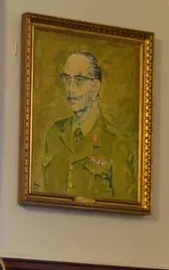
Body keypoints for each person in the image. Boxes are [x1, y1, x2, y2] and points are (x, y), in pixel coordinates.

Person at [33, 51, 136, 202]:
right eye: (67, 80)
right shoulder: (54, 133)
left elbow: (127, 209)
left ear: (95, 87)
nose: (70, 89)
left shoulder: (117, 142)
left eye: (79, 80)